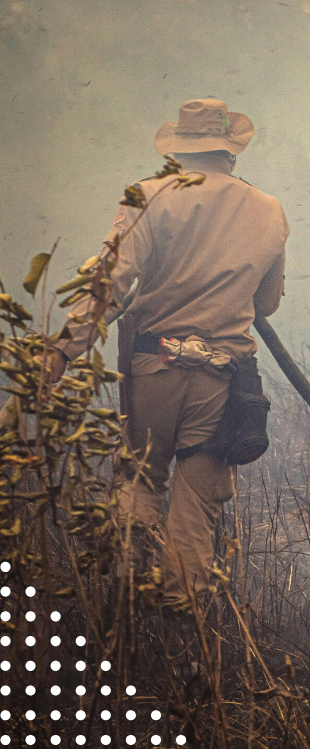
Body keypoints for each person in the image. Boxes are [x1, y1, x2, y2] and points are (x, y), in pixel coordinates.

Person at [45, 99, 288, 607]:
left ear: (178, 151)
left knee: (137, 482)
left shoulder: (148, 196)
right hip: (224, 379)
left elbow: (109, 284)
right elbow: (265, 302)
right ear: (231, 153)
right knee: (198, 505)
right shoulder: (269, 209)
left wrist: (64, 351)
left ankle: (123, 611)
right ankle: (184, 625)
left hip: (154, 366)